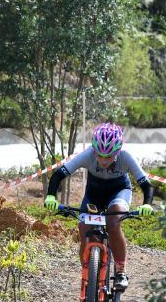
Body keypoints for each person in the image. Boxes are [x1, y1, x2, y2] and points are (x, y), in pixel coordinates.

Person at [44, 123, 154, 290]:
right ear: (94, 150)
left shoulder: (126, 157)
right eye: (100, 155)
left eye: (109, 156)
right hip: (94, 194)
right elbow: (59, 174)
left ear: (117, 152)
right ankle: (89, 273)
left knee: (113, 222)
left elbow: (147, 185)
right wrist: (51, 196)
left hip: (119, 191)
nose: (103, 160)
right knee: (84, 227)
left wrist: (147, 204)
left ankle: (120, 272)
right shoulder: (88, 154)